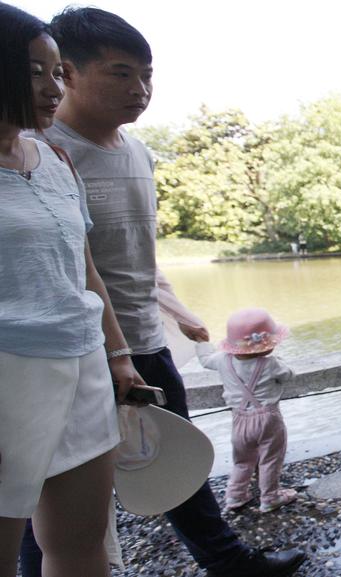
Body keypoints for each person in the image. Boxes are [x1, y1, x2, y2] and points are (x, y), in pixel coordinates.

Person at [18, 7, 305, 577]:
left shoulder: (140, 153)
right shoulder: (38, 152)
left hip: (144, 346)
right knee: (52, 495)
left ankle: (229, 562)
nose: (140, 89)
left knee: (177, 462)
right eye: (121, 73)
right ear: (66, 72)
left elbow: (139, 261)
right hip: (79, 353)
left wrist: (180, 315)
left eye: (148, 75)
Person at [0, 4, 145, 575]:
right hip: (11, 373)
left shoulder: (55, 159)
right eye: (35, 71)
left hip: (82, 363)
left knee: (81, 541)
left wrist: (119, 356)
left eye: (58, 72)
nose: (53, 87)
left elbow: (83, 270)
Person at [196, 309, 298, 514]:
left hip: (239, 419)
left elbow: (205, 360)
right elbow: (289, 375)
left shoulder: (222, 360)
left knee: (242, 460)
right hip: (268, 418)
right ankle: (270, 497)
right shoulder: (270, 363)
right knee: (270, 458)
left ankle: (235, 496)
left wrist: (202, 341)